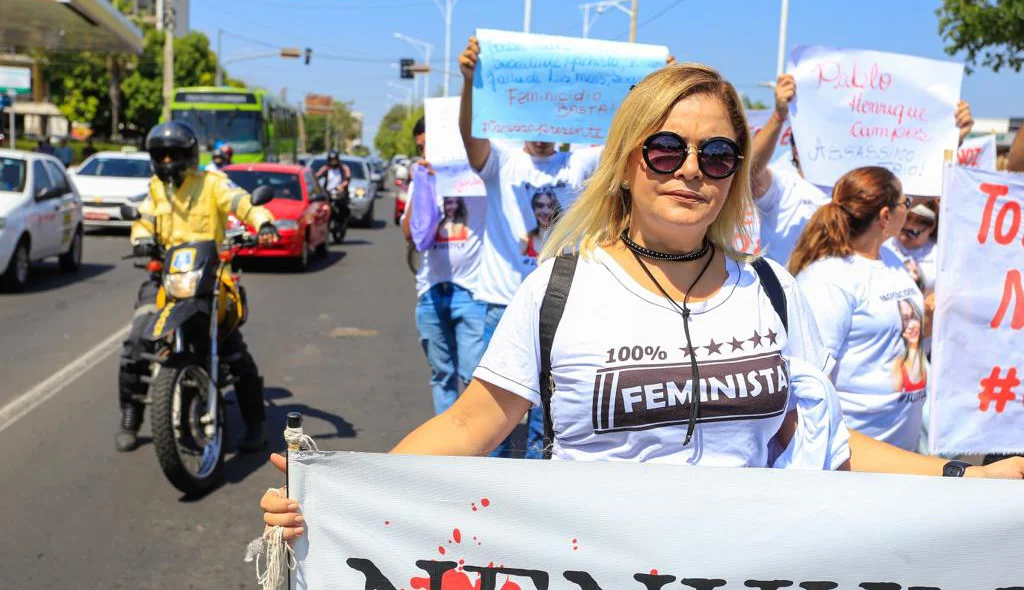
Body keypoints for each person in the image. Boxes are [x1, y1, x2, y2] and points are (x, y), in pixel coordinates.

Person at [261, 64, 1024, 542]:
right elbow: (470, 424)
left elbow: (829, 446)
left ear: (733, 173)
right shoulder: (560, 288)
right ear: (628, 161)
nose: (691, 171)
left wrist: (965, 478)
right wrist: (337, 495)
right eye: (666, 149)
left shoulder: (771, 291)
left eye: (717, 155)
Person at [458, 35, 604, 458]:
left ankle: (532, 510)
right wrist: (469, 82)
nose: (542, 132)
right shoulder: (502, 161)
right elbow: (471, 137)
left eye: (551, 121)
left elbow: (631, 139)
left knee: (548, 423)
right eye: (534, 121)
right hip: (500, 305)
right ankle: (490, 504)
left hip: (560, 311)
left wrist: (657, 80)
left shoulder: (579, 164)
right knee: (493, 420)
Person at [116, 121, 280, 453]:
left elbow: (242, 203)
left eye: (173, 155)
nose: (167, 162)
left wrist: (264, 223)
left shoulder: (212, 184)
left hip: (212, 278)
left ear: (188, 153)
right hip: (166, 278)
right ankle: (131, 416)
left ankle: (256, 423)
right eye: (160, 156)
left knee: (233, 348)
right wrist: (142, 239)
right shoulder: (155, 189)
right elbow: (143, 219)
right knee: (136, 344)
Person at [750, 75, 975, 266]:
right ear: (796, 149)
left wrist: (953, 138)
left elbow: (920, 189)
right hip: (790, 308)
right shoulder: (783, 186)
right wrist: (779, 116)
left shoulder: (858, 189)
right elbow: (751, 169)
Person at [788, 166, 928, 450]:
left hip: (902, 449)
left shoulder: (890, 258)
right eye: (906, 204)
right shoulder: (827, 280)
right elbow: (812, 382)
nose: (910, 209)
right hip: (856, 459)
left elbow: (897, 331)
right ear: (885, 216)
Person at [400, 117, 488, 417]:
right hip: (431, 292)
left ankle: (475, 447)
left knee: (474, 377)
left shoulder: (476, 177)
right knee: (442, 376)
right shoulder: (422, 179)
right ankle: (447, 453)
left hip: (472, 293)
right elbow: (410, 234)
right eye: (420, 148)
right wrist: (421, 181)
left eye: (427, 146)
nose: (423, 152)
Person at [519, 189, 561, 258]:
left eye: (550, 206)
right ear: (533, 209)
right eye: (540, 206)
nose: (545, 211)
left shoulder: (564, 240)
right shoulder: (525, 240)